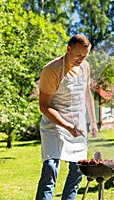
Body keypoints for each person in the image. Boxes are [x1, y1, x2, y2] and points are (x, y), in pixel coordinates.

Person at [36, 34, 98, 200]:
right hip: (54, 125)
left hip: (77, 124)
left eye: (85, 56)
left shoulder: (85, 67)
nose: (81, 59)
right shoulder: (52, 70)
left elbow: (86, 94)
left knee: (77, 170)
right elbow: (44, 106)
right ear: (68, 49)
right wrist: (67, 127)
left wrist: (93, 121)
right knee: (50, 167)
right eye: (78, 55)